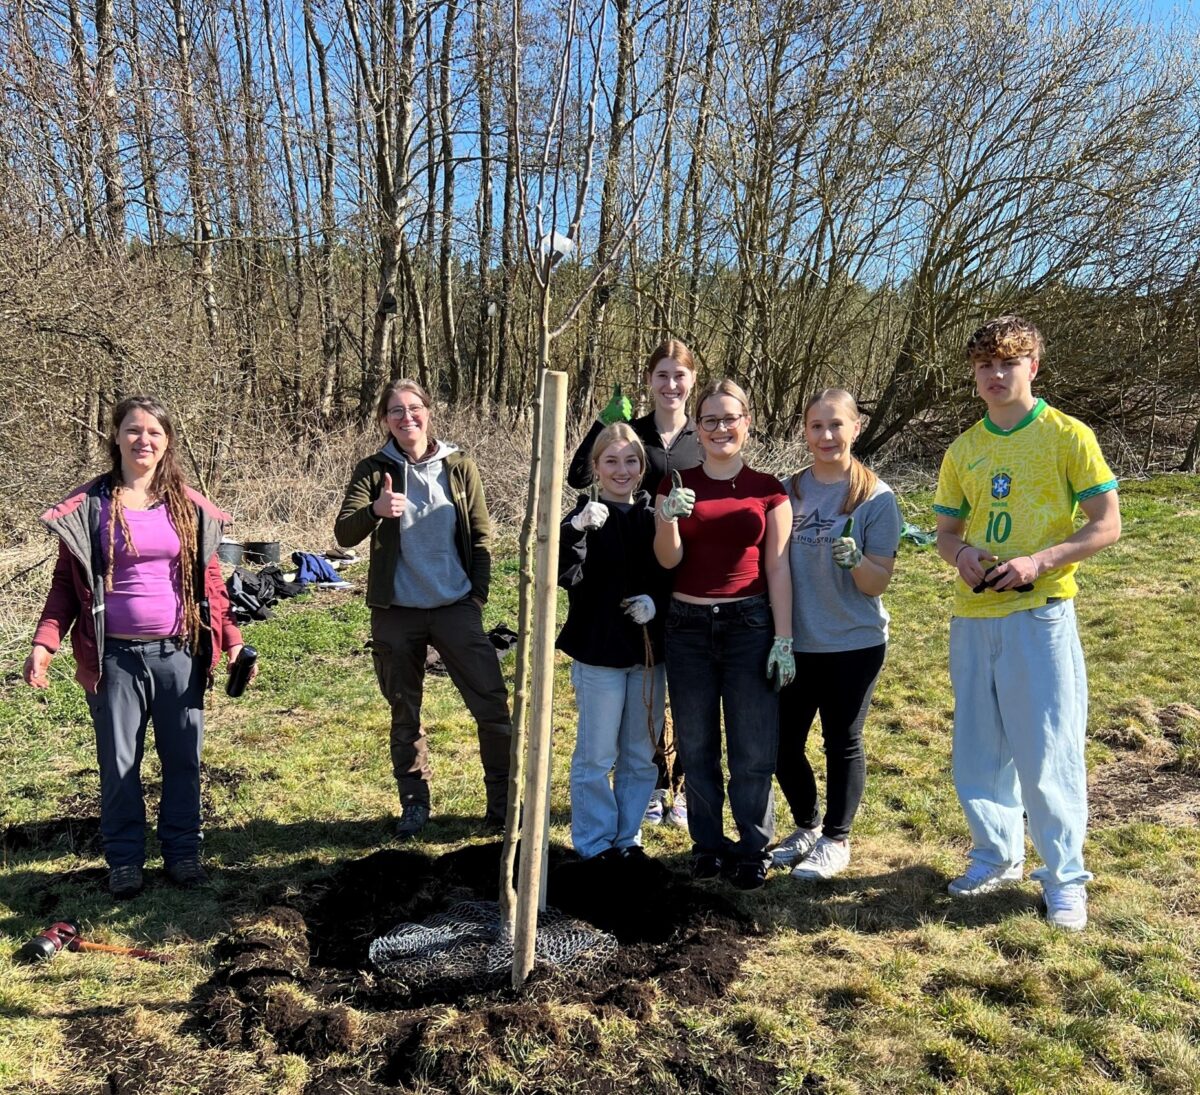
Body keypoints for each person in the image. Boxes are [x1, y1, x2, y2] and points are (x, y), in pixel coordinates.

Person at [23, 395, 252, 899]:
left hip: (180, 655)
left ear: (167, 441)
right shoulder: (91, 508)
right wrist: (46, 642)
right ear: (116, 437)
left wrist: (232, 640)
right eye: (133, 430)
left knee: (184, 759)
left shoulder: (187, 507)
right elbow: (66, 584)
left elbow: (212, 583)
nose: (143, 440)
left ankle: (183, 853)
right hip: (115, 660)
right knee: (119, 764)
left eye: (153, 432)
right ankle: (125, 860)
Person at [934, 316, 1120, 931]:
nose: (995, 374)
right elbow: (947, 532)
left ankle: (1065, 879)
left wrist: (1039, 561)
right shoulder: (963, 448)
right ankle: (996, 855)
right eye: (984, 365)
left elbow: (1105, 524)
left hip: (1038, 616)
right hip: (973, 617)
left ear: (1032, 367)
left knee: (1047, 752)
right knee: (978, 753)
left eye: (1008, 363)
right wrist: (961, 557)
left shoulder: (1067, 436)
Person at [334, 378, 511, 839]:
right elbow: (344, 534)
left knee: (492, 706)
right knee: (404, 710)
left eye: (414, 408)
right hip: (396, 612)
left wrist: (477, 597)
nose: (406, 417)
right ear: (384, 419)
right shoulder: (374, 469)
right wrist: (375, 509)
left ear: (429, 412)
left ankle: (502, 805)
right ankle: (414, 804)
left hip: (456, 605)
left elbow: (482, 534)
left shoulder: (458, 465)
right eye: (396, 410)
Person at [654, 379, 794, 890]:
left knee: (753, 748)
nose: (719, 428)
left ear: (747, 422)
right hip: (687, 627)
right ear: (696, 426)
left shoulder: (769, 489)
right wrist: (667, 517)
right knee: (696, 746)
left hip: (750, 626)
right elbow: (667, 560)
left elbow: (778, 569)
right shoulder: (675, 484)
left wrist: (784, 637)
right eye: (709, 420)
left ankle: (754, 847)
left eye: (729, 418)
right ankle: (708, 845)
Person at [568, 339, 704, 830]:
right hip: (615, 580)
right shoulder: (632, 434)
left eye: (680, 376)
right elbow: (579, 474)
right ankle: (633, 809)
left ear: (692, 381)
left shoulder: (701, 432)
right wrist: (602, 425)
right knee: (607, 740)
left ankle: (673, 793)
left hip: (678, 573)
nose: (671, 385)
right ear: (649, 380)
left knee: (656, 715)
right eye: (661, 375)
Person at [772, 390, 901, 881]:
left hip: (853, 643)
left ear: (854, 429)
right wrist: (780, 637)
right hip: (794, 643)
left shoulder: (877, 498)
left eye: (836, 426)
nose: (826, 436)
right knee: (783, 743)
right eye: (816, 427)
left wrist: (857, 562)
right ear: (804, 431)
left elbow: (877, 583)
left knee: (841, 740)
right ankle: (805, 826)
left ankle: (835, 838)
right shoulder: (787, 491)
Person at [557, 423, 668, 861]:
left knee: (641, 755)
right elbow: (566, 577)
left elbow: (673, 569)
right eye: (611, 461)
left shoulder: (654, 515)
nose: (621, 471)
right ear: (596, 467)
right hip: (599, 653)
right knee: (597, 756)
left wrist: (657, 602)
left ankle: (627, 837)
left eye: (630, 461)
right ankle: (595, 842)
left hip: (647, 655)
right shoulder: (581, 516)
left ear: (641, 468)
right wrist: (578, 531)